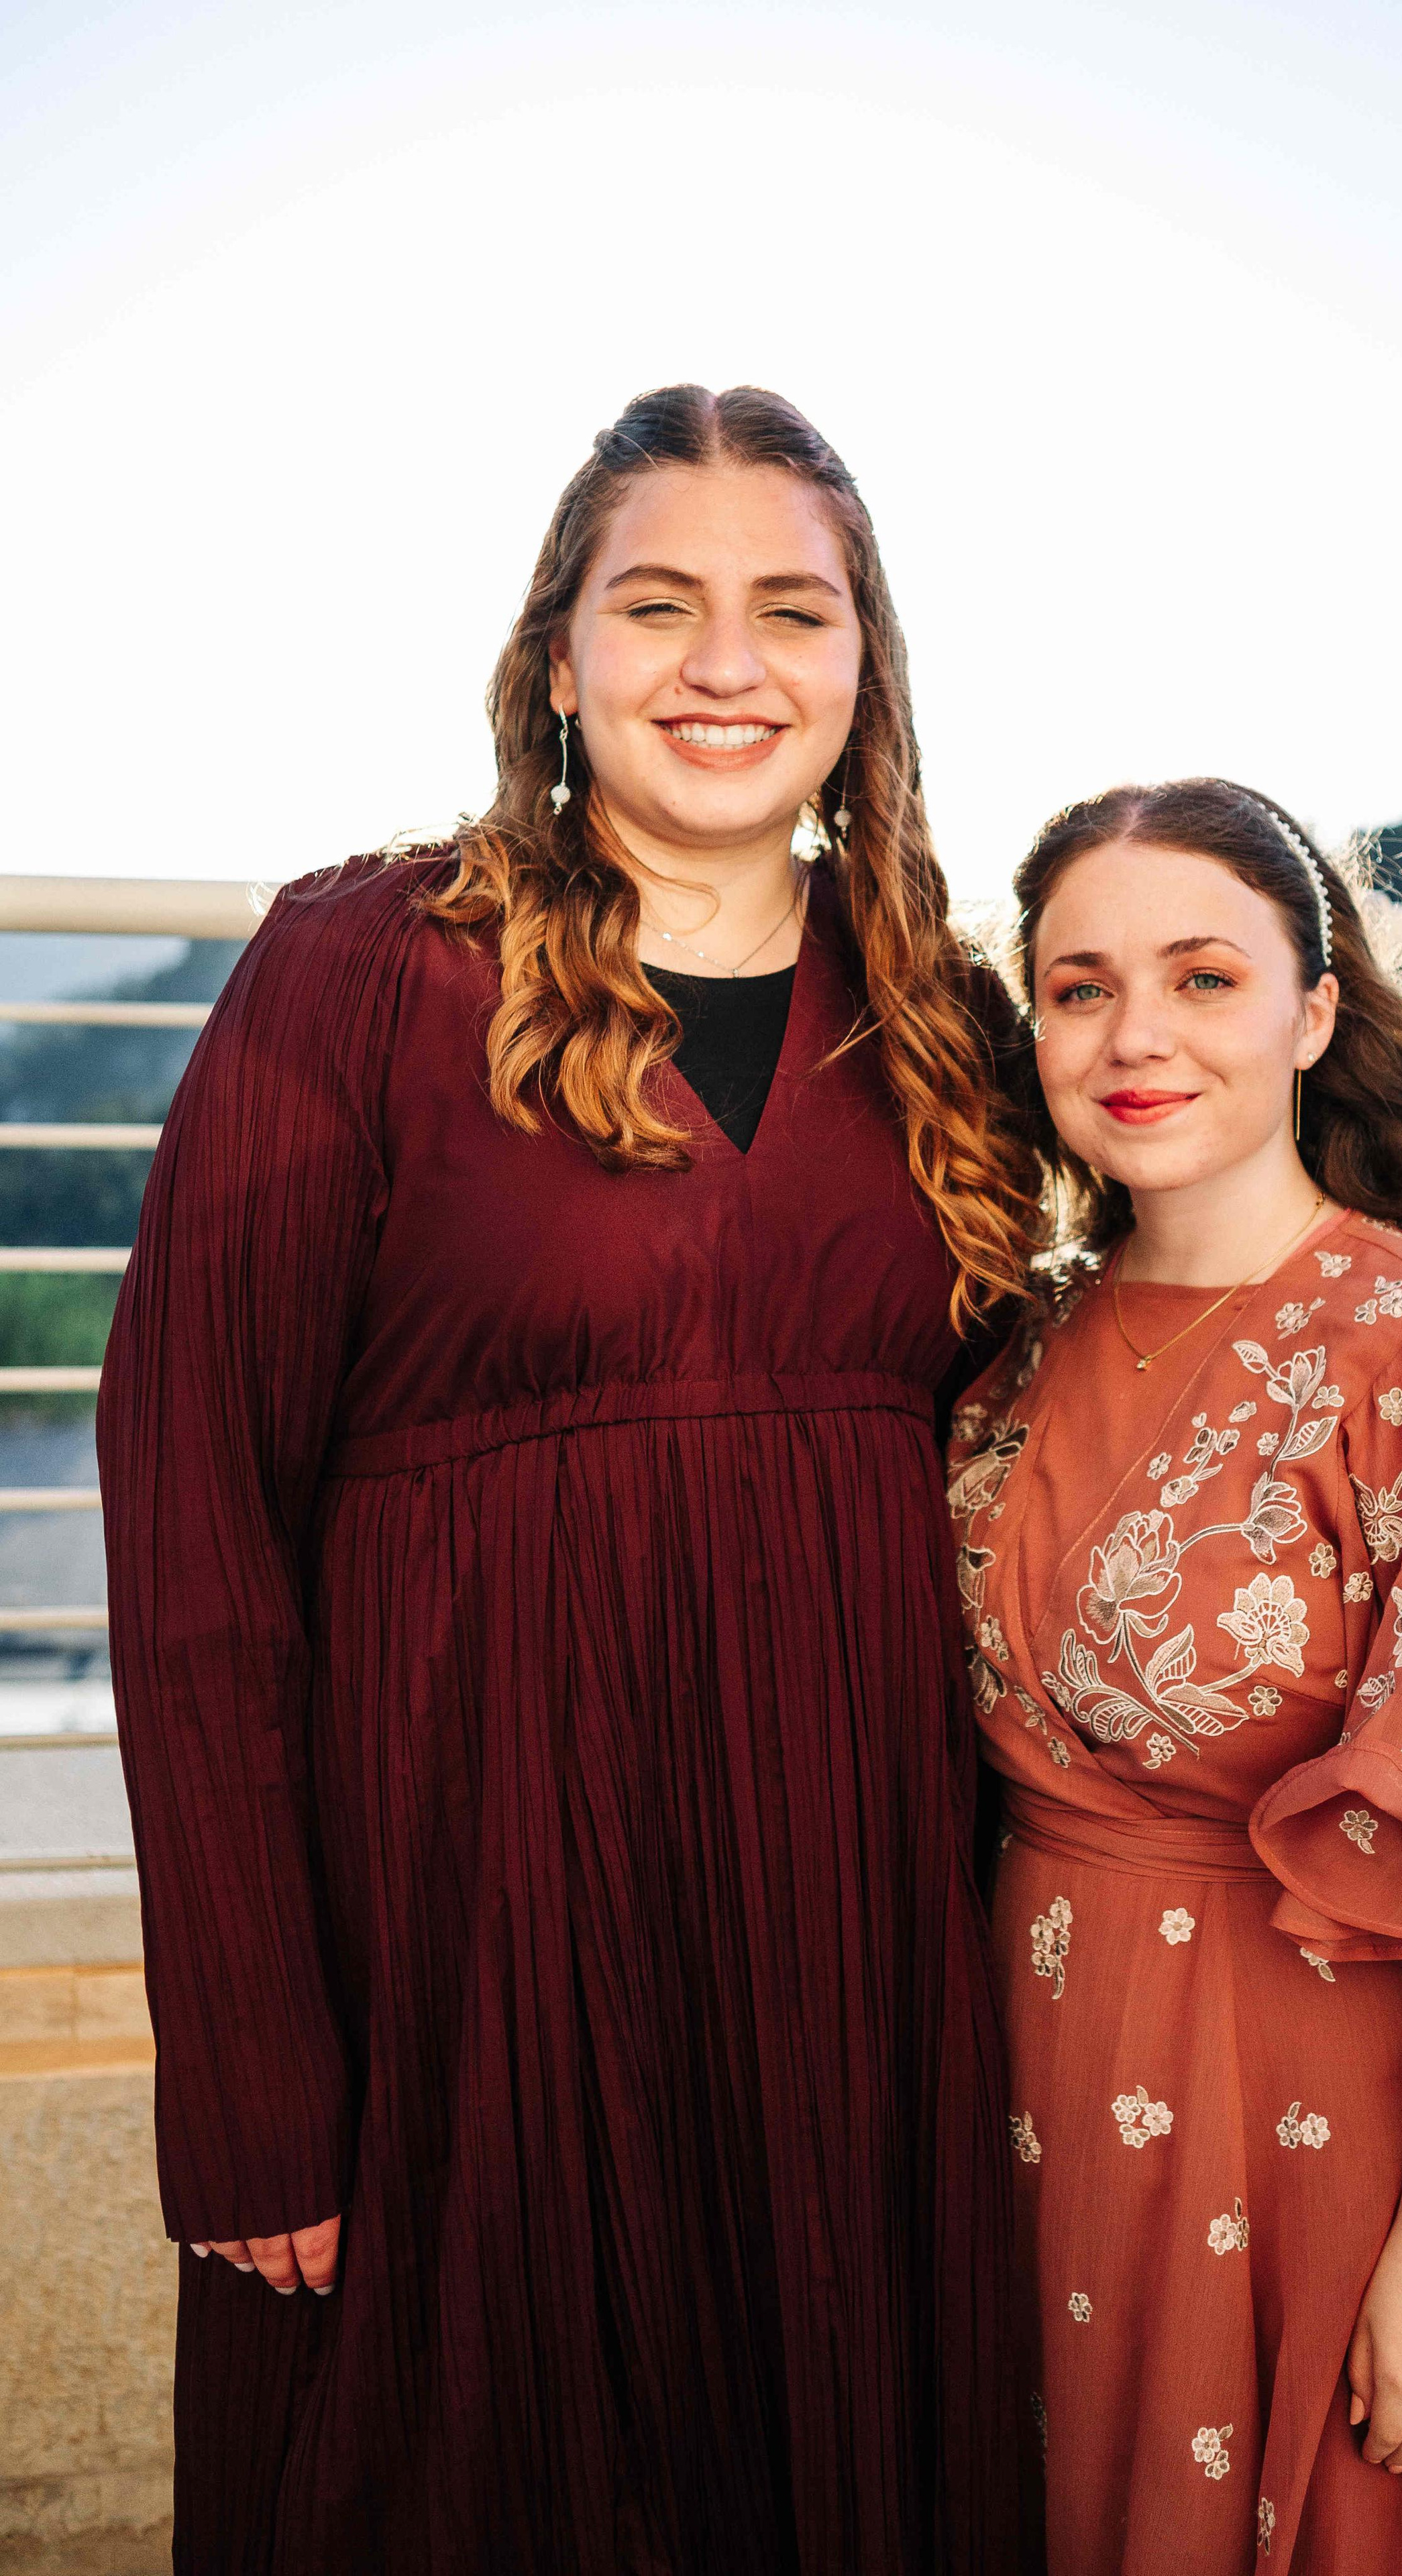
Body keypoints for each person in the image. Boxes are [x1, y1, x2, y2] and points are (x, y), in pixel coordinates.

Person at [100, 384, 1046, 2575]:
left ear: (863, 670)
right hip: (458, 1943)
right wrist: (250, 2069)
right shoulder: (358, 968)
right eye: (661, 603)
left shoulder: (950, 1026)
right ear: (558, 650)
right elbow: (196, 1546)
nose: (729, 663)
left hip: (847, 1961)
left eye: (791, 611)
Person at [947, 780, 1402, 2573]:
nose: (1137, 1036)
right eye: (1082, 987)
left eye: (1202, 977)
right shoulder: (1016, 1340)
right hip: (1046, 2117)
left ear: (1315, 1012)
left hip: (1347, 2136)